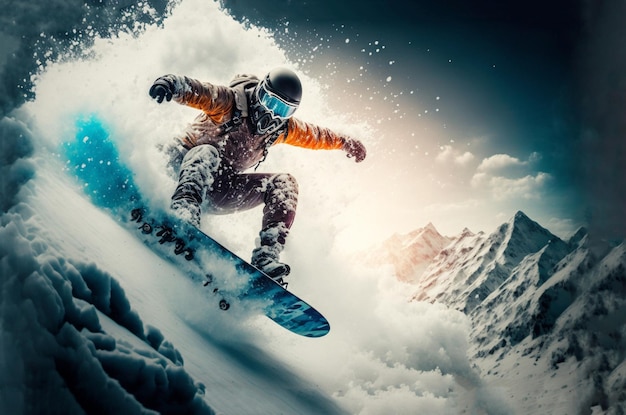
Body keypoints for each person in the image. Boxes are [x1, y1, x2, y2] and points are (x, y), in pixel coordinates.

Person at [149, 67, 366, 283]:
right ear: (259, 92)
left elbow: (316, 135)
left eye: (283, 110)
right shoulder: (229, 102)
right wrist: (169, 84)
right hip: (177, 168)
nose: (272, 114)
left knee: (285, 183)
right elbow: (197, 90)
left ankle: (266, 257)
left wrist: (345, 142)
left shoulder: (281, 129)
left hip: (216, 190)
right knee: (208, 152)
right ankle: (184, 213)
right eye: (270, 102)